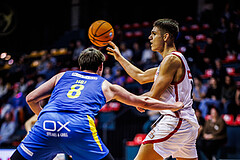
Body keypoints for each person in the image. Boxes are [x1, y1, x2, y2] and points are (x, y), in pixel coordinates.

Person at [10, 48, 183, 160]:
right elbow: (144, 101)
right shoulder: (106, 85)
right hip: (78, 126)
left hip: (47, 122)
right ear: (101, 67)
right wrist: (173, 106)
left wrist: (43, 117)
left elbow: (30, 99)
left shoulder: (62, 75)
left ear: (79, 66)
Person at [107, 18, 199, 160]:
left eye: (154, 34)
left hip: (176, 121)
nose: (150, 37)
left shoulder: (171, 60)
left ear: (166, 36)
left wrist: (131, 99)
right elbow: (141, 76)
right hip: (186, 123)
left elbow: (152, 96)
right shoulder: (170, 61)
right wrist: (120, 58)